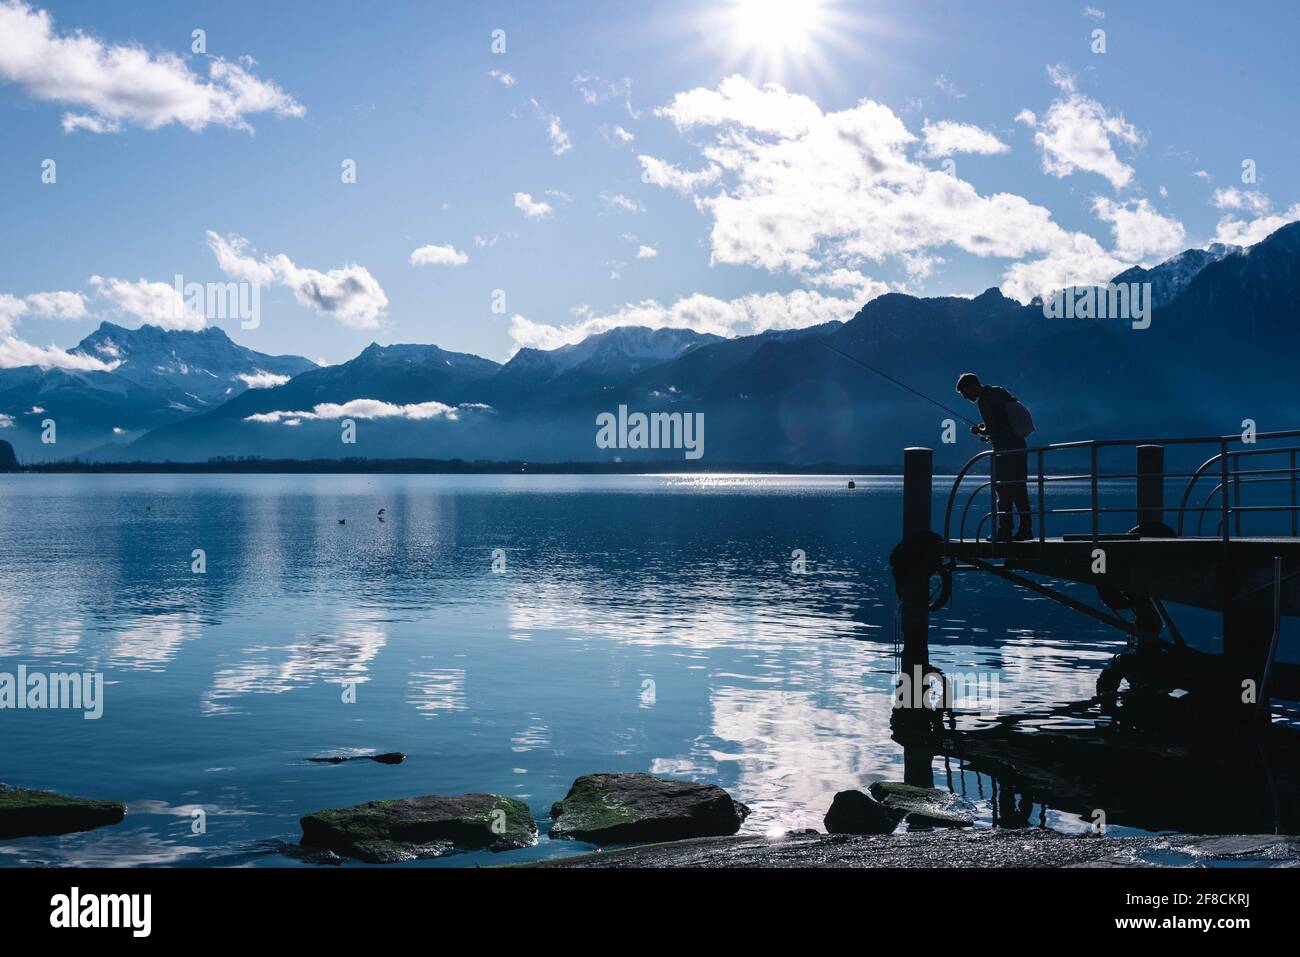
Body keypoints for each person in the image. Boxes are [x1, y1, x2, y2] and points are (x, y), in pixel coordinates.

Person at [956, 373, 1032, 541]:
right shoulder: (999, 391)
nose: (965, 397)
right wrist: (987, 429)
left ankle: (1005, 531)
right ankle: (1026, 529)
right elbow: (1002, 421)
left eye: (964, 393)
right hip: (1020, 445)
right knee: (1020, 489)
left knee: (1002, 490)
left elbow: (993, 430)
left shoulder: (984, 402)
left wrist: (979, 431)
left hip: (1004, 450)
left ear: (971, 386)